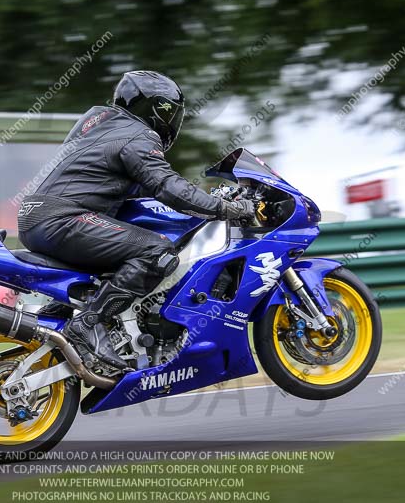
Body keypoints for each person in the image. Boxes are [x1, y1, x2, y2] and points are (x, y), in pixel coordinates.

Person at [18, 70, 254, 370]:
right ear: (156, 108)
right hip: (63, 219)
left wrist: (202, 197)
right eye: (170, 111)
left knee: (118, 256)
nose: (172, 120)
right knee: (157, 252)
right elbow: (166, 185)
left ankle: (71, 322)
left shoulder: (102, 125)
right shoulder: (136, 135)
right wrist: (225, 208)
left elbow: (138, 183)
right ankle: (91, 323)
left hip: (37, 216)